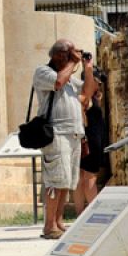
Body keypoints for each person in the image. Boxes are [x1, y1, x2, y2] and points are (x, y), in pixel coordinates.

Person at [31, 39, 99, 239]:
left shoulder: (70, 78)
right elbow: (57, 82)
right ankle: (48, 226)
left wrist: (87, 69)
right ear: (60, 56)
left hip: (73, 134)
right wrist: (72, 63)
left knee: (65, 182)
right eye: (70, 53)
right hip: (56, 133)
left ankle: (58, 222)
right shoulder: (43, 72)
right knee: (55, 181)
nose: (74, 57)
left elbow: (88, 93)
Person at [74, 68, 110, 214]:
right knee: (89, 176)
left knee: (82, 177)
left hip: (88, 139)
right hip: (90, 140)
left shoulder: (90, 96)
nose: (99, 85)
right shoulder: (85, 97)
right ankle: (93, 212)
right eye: (98, 82)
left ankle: (80, 213)